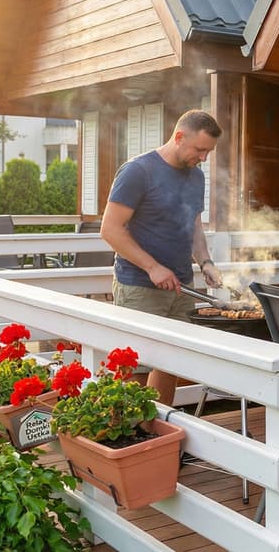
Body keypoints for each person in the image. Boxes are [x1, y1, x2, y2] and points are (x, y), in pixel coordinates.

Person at [100, 109, 224, 406]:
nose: (204, 158)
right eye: (200, 149)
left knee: (172, 364)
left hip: (181, 286)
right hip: (140, 287)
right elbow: (110, 229)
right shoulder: (138, 172)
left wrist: (204, 261)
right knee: (137, 369)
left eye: (208, 152)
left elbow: (193, 225)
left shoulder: (196, 177)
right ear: (179, 137)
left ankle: (157, 436)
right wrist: (153, 267)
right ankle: (132, 439)